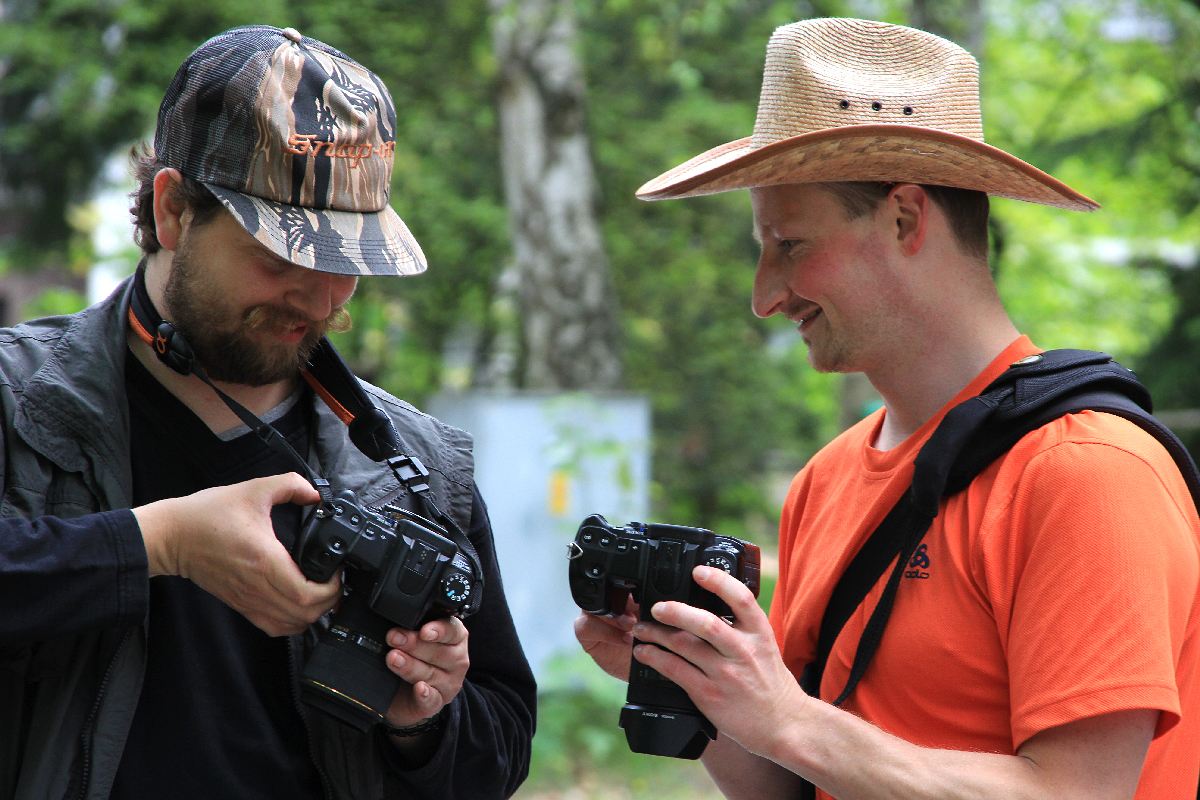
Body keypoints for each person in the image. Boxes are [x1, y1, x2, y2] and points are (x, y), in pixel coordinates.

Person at [574, 17, 1200, 799]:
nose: (764, 296)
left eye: (791, 245)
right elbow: (788, 782)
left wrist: (795, 724)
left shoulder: (1087, 472)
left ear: (906, 217)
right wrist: (694, 683)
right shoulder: (824, 481)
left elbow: (1077, 792)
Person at [0, 25, 535, 800]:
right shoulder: (18, 402)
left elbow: (500, 748)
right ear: (174, 209)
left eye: (347, 263)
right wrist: (155, 544)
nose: (322, 300)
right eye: (284, 256)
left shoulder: (414, 467)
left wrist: (420, 720)